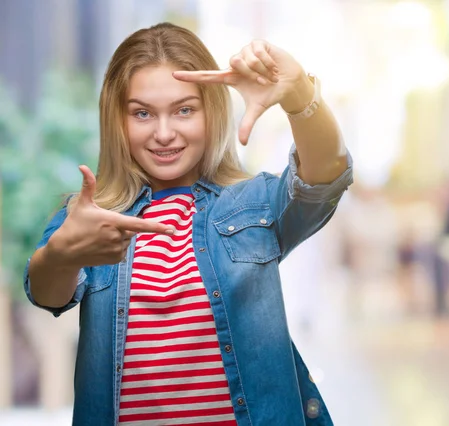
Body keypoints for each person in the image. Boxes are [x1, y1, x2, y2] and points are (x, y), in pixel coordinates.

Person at [24, 22, 352, 426]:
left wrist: (300, 93)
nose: (165, 134)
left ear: (210, 111)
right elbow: (46, 294)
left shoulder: (252, 205)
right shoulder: (93, 214)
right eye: (142, 113)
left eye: (184, 110)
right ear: (117, 120)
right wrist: (60, 255)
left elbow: (327, 176)